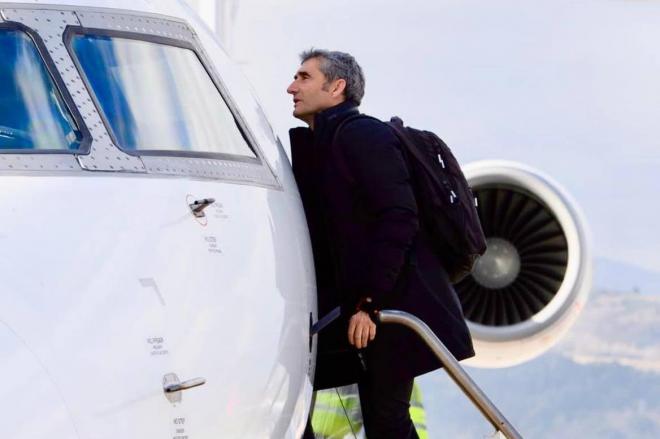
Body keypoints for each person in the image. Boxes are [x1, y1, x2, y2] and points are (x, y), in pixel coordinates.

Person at [288, 49, 474, 438]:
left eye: (304, 77)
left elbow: (399, 218)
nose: (292, 87)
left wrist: (370, 303)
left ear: (336, 87)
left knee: (387, 419)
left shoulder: (362, 135)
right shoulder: (325, 142)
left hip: (389, 305)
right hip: (354, 309)